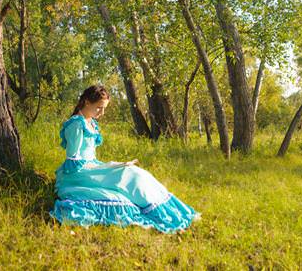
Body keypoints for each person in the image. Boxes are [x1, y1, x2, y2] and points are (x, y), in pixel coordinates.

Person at [49, 85, 200, 234]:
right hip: (78, 172)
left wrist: (111, 165)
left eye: (104, 108)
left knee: (136, 173)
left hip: (92, 166)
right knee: (128, 173)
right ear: (87, 102)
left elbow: (92, 157)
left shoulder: (90, 122)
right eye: (98, 108)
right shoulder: (76, 123)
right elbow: (73, 159)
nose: (102, 113)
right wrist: (108, 167)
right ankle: (154, 211)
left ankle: (164, 209)